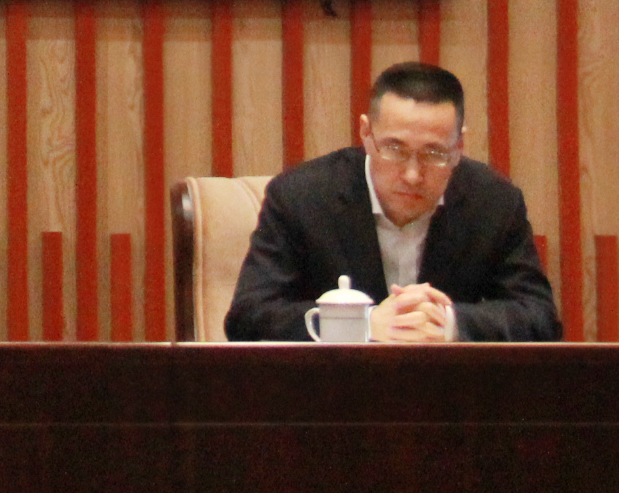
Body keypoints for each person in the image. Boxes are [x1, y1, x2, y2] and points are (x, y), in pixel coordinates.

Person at [224, 61, 560, 342]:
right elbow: (248, 317)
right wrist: (362, 324)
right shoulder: (301, 197)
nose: (412, 175)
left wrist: (449, 323)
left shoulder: (494, 203)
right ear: (366, 134)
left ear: (459, 147)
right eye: (394, 149)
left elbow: (540, 317)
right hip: (333, 392)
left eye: (434, 154)